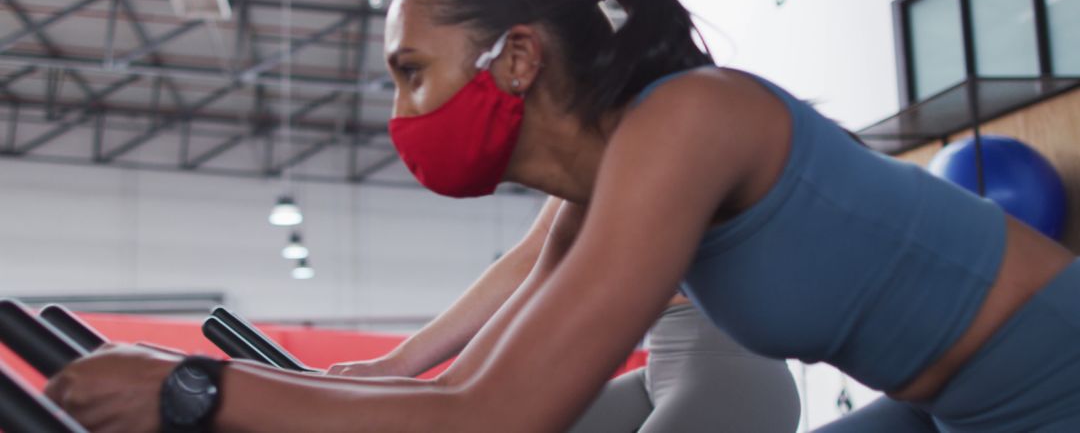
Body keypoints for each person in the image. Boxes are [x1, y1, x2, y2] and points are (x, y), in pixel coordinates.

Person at [45, 0, 1080, 432]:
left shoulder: (688, 124)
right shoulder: (599, 186)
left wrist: (197, 391)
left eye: (413, 73)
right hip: (952, 403)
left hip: (1054, 373)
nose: (401, 110)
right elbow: (444, 371)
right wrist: (283, 388)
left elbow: (500, 414)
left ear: (519, 58)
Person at [326, 196, 800, 432]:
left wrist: (435, 383)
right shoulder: (589, 143)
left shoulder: (652, 131)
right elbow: (532, 258)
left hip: (729, 371)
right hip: (662, 367)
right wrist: (400, 363)